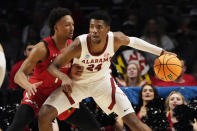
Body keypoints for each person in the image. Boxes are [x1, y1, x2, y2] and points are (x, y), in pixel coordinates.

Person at [40, 10, 175, 131]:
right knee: (44, 114)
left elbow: (134, 41)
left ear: (107, 29)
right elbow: (52, 66)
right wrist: (65, 78)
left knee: (134, 123)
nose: (94, 31)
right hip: (78, 84)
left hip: (103, 84)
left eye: (99, 27)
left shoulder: (115, 39)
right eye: (92, 27)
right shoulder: (78, 44)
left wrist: (162, 52)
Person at [7, 7, 100, 131]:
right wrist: (28, 86)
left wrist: (76, 73)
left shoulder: (73, 47)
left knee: (94, 127)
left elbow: (76, 72)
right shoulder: (41, 48)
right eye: (67, 25)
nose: (72, 28)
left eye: (72, 24)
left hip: (58, 96)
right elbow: (19, 75)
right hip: (37, 94)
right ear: (56, 27)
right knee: (15, 128)